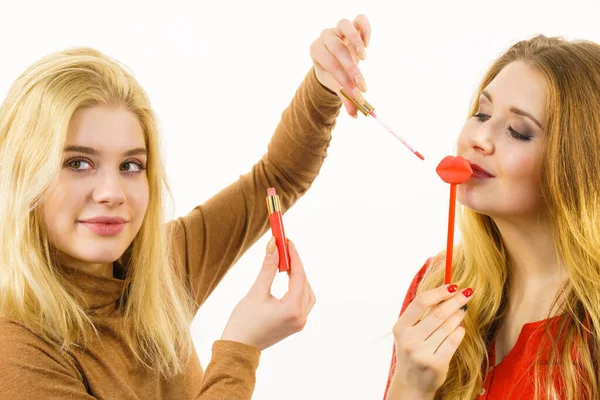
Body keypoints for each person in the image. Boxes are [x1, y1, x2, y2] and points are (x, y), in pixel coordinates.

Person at [0, 15, 371, 399]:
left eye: (131, 165)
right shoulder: (15, 351)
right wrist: (240, 350)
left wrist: (325, 82)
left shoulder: (158, 267)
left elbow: (276, 178)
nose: (111, 192)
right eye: (77, 163)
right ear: (22, 173)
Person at [383, 35, 600, 400]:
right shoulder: (438, 282)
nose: (478, 138)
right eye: (482, 114)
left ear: (578, 167)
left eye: (519, 131)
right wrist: (408, 388)